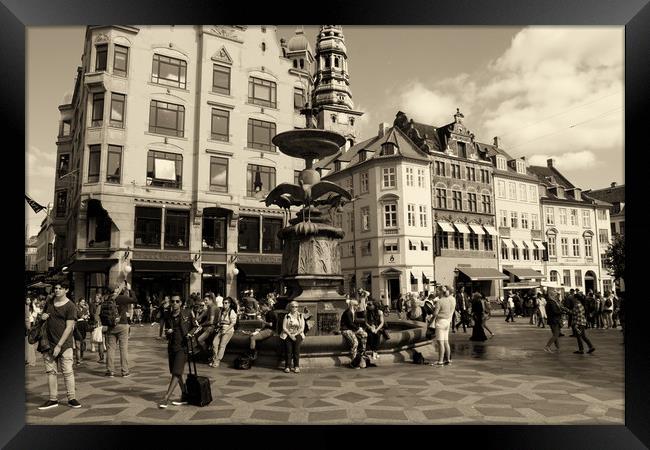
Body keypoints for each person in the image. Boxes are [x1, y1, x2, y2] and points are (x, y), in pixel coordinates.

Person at [37, 282, 82, 410]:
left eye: (60, 288)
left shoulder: (70, 306)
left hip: (64, 344)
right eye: (55, 288)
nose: (57, 290)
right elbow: (43, 318)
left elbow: (69, 328)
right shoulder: (49, 302)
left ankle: (71, 398)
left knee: (67, 372)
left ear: (66, 290)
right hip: (48, 343)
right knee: (51, 372)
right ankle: (53, 399)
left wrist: (59, 345)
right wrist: (42, 317)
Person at [158, 294, 197, 409]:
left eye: (177, 301)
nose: (175, 303)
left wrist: (190, 334)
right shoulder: (168, 315)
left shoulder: (188, 313)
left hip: (183, 347)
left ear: (181, 303)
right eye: (173, 301)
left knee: (176, 372)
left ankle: (166, 398)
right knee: (177, 372)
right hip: (172, 347)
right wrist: (167, 332)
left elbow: (196, 326)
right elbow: (166, 331)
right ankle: (185, 395)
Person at [105, 282, 137, 377]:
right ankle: (125, 371)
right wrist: (130, 289)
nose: (119, 288)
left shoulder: (107, 299)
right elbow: (135, 300)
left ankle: (110, 371)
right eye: (118, 287)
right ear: (115, 289)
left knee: (110, 350)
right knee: (123, 349)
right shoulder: (121, 298)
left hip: (111, 326)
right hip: (122, 325)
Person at [210, 296, 237, 368]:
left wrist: (226, 329)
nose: (224, 304)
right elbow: (219, 321)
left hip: (228, 330)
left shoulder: (232, 311)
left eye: (226, 303)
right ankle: (215, 358)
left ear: (229, 304)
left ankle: (217, 361)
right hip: (221, 329)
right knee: (214, 343)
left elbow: (233, 323)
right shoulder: (221, 311)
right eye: (223, 303)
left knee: (222, 345)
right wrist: (219, 324)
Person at [431, 285, 455, 366]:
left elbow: (435, 314)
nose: (436, 292)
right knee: (446, 342)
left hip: (440, 322)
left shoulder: (439, 301)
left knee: (440, 342)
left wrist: (433, 313)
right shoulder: (448, 300)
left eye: (437, 291)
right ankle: (448, 359)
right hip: (447, 322)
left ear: (441, 292)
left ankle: (440, 360)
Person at [340, 300, 368, 368]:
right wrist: (358, 328)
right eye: (356, 305)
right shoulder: (348, 312)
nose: (358, 306)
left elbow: (354, 321)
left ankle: (362, 352)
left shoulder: (353, 311)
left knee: (365, 334)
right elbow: (350, 324)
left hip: (351, 329)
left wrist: (362, 323)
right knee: (355, 343)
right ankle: (354, 361)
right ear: (352, 305)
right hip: (346, 330)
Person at [280, 301, 305, 373]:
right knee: (288, 351)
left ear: (298, 308)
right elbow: (284, 327)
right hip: (288, 334)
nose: (294, 308)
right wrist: (290, 335)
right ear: (290, 307)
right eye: (293, 306)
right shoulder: (287, 316)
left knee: (296, 351)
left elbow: (302, 328)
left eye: (296, 307)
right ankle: (287, 366)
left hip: (297, 334)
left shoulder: (300, 316)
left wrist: (295, 334)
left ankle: (296, 366)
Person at [74, 298, 90, 366]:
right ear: (79, 302)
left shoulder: (85, 309)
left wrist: (85, 316)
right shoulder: (76, 308)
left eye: (84, 302)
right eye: (82, 302)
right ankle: (78, 360)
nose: (83, 303)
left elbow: (87, 316)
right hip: (77, 326)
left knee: (83, 342)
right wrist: (84, 316)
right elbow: (79, 316)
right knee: (78, 344)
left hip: (83, 326)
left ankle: (81, 357)